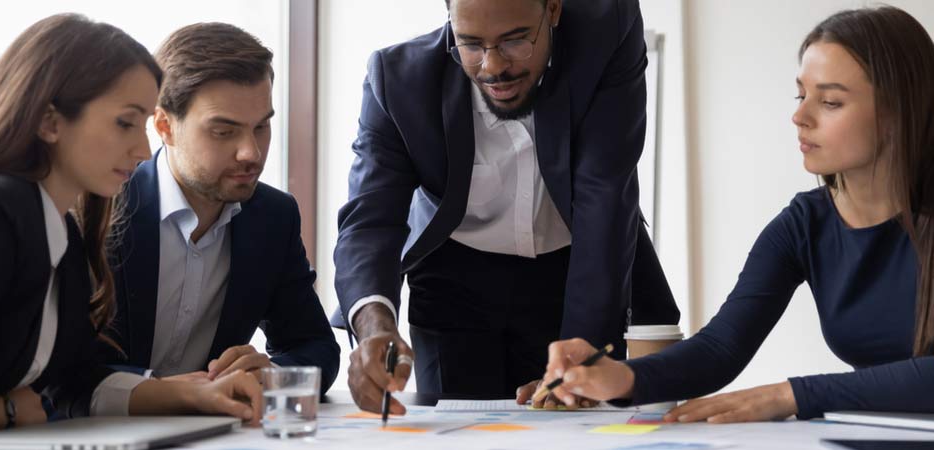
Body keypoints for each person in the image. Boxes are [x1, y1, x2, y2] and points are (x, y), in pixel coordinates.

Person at [542, 5, 934, 421]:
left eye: (831, 101)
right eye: (801, 95)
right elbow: (721, 348)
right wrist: (619, 378)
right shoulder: (803, 225)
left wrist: (794, 395)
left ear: (897, 111)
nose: (799, 117)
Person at [335, 0, 679, 414]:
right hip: (453, 279)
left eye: (515, 41)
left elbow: (603, 193)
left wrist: (582, 352)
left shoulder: (605, 35)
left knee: (574, 422)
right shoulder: (398, 78)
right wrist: (375, 326)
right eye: (471, 44)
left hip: (576, 271)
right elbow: (369, 221)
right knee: (459, 429)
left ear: (552, 10)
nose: (493, 66)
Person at [0, 14, 262, 429]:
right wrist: (7, 410)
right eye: (125, 123)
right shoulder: (3, 212)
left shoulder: (61, 231)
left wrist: (195, 394)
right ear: (49, 122)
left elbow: (73, 380)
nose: (142, 149)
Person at [101, 23, 340, 393]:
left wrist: (269, 374)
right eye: (224, 131)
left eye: (261, 127)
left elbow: (316, 347)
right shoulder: (102, 208)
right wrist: (167, 395)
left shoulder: (273, 217)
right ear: (165, 126)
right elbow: (69, 372)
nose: (252, 153)